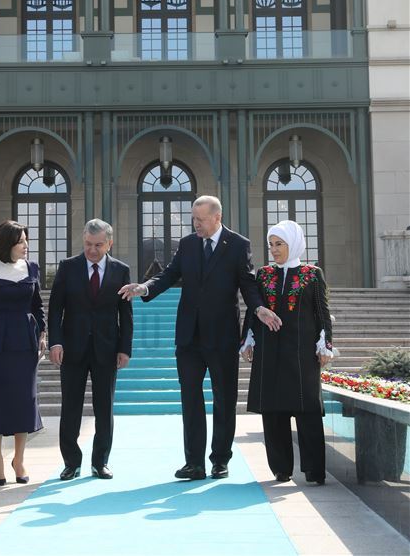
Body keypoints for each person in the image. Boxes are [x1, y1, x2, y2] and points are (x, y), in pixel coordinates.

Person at [119, 195, 281, 481]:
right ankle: (194, 463)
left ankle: (220, 460)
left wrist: (258, 308)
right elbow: (169, 275)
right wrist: (144, 288)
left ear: (217, 217)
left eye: (201, 220)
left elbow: (247, 284)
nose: (195, 224)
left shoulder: (238, 245)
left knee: (224, 399)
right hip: (189, 337)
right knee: (190, 399)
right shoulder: (188, 244)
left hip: (223, 337)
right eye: (193, 219)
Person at [240, 220, 333, 485]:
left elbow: (322, 312)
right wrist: (248, 340)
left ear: (293, 243)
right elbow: (254, 309)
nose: (274, 249)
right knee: (273, 411)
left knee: (308, 410)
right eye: (271, 244)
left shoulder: (311, 274)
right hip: (269, 352)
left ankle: (314, 471)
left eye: (279, 244)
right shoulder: (264, 275)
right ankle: (280, 469)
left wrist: (324, 344)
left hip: (302, 354)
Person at [48, 218, 133, 481]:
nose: (92, 250)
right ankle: (71, 463)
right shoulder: (68, 267)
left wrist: (125, 348)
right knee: (70, 407)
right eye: (88, 244)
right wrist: (55, 342)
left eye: (98, 245)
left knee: (104, 408)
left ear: (109, 243)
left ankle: (100, 462)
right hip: (72, 349)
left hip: (106, 349)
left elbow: (125, 314)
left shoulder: (121, 270)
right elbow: (55, 309)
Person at [0, 220, 46, 486]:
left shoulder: (32, 268)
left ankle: (19, 459)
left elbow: (37, 305)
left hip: (25, 339)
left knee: (25, 399)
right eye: (21, 241)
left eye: (26, 240)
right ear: (7, 244)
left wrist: (42, 333)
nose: (26, 246)